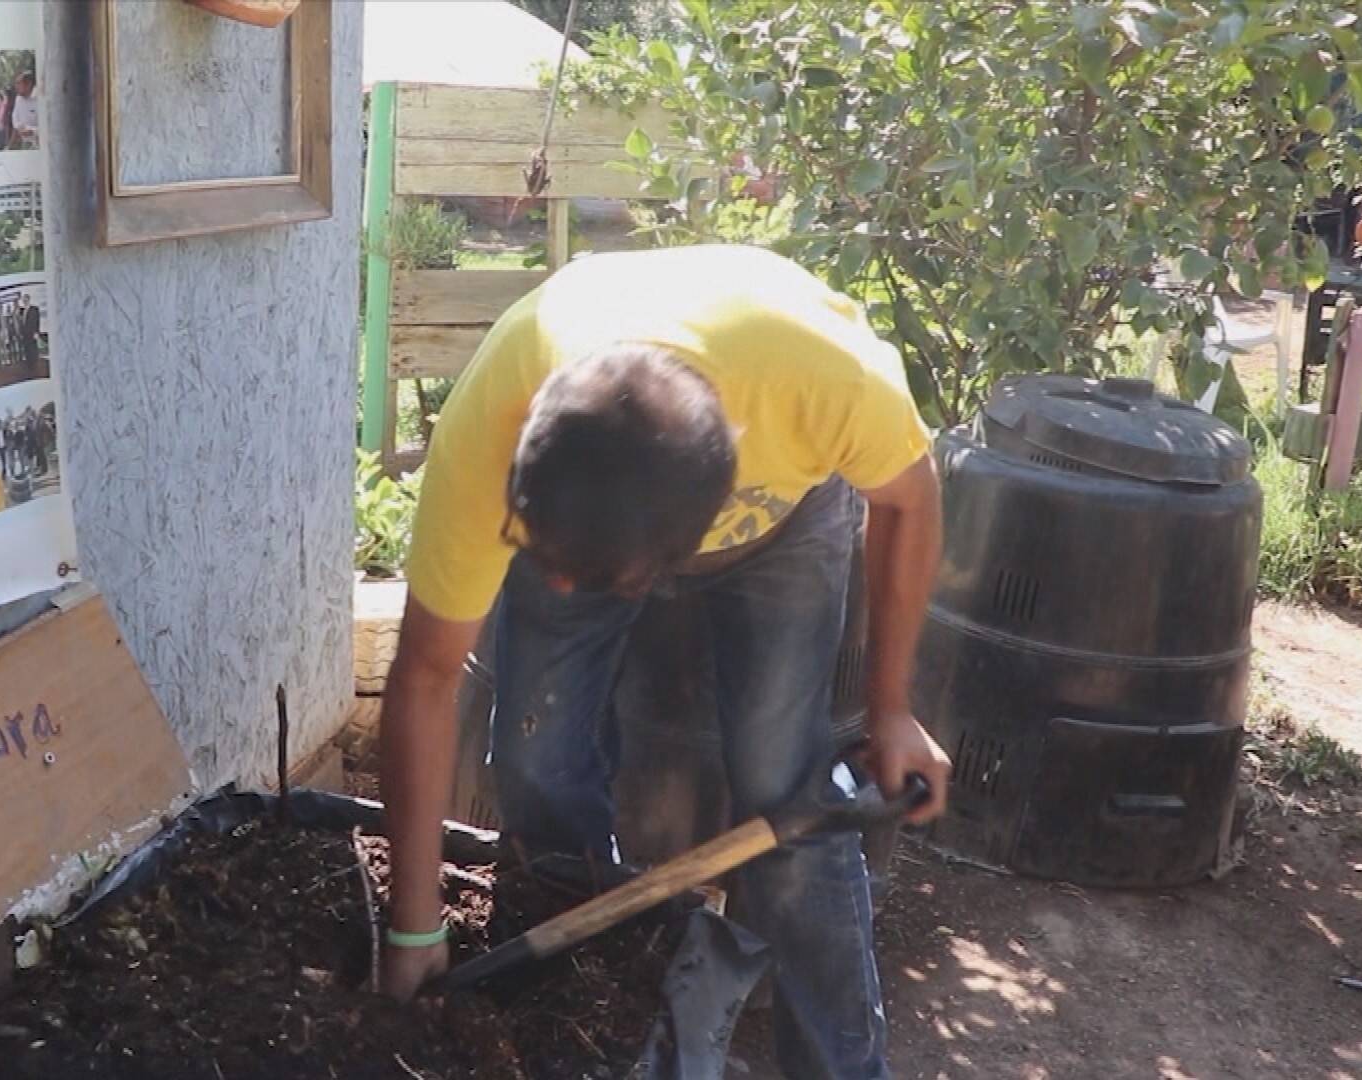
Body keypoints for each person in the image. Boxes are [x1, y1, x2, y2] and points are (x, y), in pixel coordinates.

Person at [376, 244, 952, 1080]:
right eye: (545, 557)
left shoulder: (822, 382)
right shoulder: (495, 432)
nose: (564, 584)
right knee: (537, 759)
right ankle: (575, 1007)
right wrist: (414, 927)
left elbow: (912, 496)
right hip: (596, 507)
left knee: (782, 787)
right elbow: (425, 678)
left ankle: (841, 1068)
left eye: (592, 578)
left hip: (783, 518)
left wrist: (892, 708)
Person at [9, 69, 39, 148]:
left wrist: (33, 131)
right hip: (25, 144)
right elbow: (16, 124)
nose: (16, 87)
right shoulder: (18, 99)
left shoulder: (40, 98)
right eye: (15, 83)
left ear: (28, 84)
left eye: (19, 83)